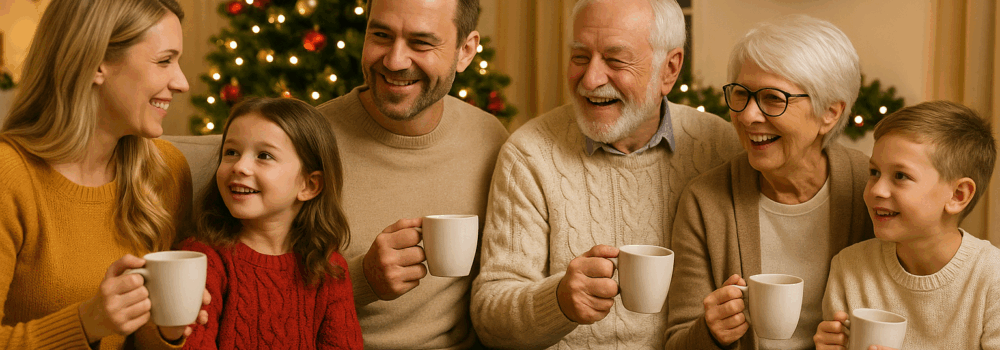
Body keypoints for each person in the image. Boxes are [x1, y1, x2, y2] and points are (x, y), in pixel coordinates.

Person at [469, 0, 742, 348]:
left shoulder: (721, 148)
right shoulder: (529, 154)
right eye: (580, 57)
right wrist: (558, 302)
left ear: (669, 69)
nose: (591, 79)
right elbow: (489, 317)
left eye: (615, 60)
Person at [0, 0, 210, 348]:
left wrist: (168, 330)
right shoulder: (10, 177)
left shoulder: (166, 172)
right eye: (164, 61)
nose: (182, 82)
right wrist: (86, 322)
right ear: (97, 64)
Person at [664, 15, 874, 350]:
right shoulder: (706, 201)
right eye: (741, 94)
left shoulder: (871, 189)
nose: (748, 116)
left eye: (773, 99)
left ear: (830, 113)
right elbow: (678, 343)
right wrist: (711, 332)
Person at [315, 0, 509, 348]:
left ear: (465, 51)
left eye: (421, 43)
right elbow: (258, 297)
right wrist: (361, 280)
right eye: (380, 35)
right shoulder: (306, 143)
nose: (394, 61)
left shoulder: (491, 139)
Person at [814, 101, 1000, 350]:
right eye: (874, 172)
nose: (876, 190)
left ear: (958, 195)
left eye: (901, 176)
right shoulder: (849, 268)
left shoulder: (992, 279)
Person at [180, 97, 363, 349]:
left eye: (264, 156)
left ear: (308, 185)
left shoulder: (328, 267)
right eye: (231, 152)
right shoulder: (201, 260)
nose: (240, 167)